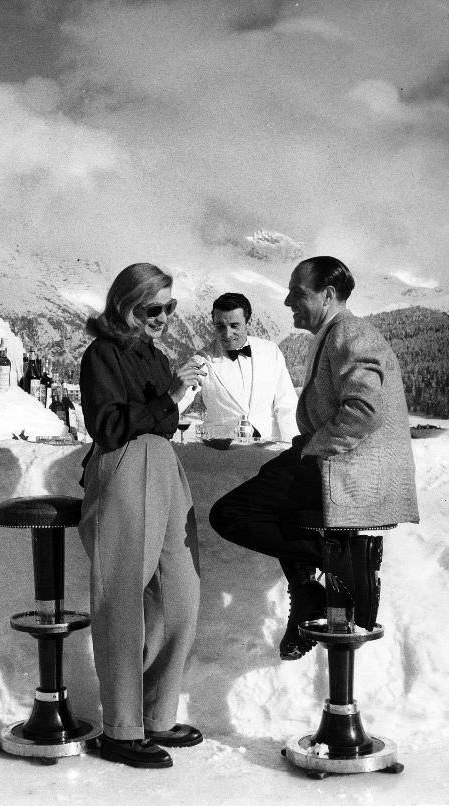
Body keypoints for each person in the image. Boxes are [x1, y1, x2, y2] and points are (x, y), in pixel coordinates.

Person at [209, 256, 419, 660]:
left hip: (346, 470)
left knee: (232, 514)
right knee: (275, 483)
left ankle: (340, 560)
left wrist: (312, 447)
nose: (287, 300)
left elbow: (364, 410)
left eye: (297, 292)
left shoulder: (349, 334)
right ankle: (308, 591)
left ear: (328, 294)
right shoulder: (334, 334)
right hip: (332, 462)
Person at [78, 263, 206, 769]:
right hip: (126, 467)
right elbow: (107, 425)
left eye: (169, 308)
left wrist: (179, 394)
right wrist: (171, 398)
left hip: (162, 466)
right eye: (153, 308)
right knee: (122, 595)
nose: (163, 318)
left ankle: (156, 714)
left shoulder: (153, 356)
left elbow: (161, 419)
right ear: (125, 305)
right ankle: (121, 730)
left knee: (179, 592)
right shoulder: (102, 354)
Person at [179, 292, 297, 444]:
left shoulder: (270, 351)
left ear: (248, 321)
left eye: (234, 326)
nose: (227, 334)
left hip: (268, 447)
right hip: (222, 451)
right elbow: (178, 399)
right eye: (220, 326)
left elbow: (286, 404)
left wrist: (291, 447)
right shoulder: (202, 359)